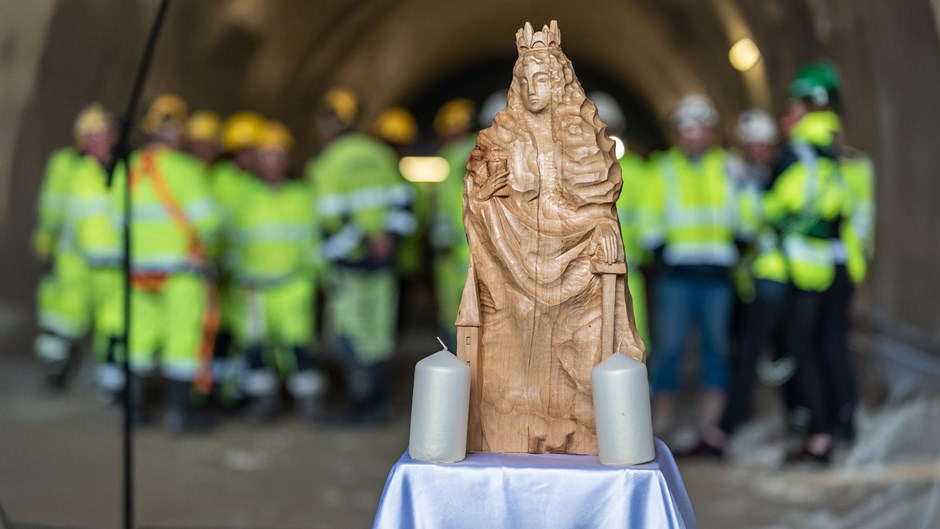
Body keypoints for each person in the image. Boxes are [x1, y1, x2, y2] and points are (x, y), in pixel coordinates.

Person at [458, 22, 644, 452]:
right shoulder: (498, 139)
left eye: (540, 78)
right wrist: (482, 199)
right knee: (510, 342)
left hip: (576, 260)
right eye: (523, 80)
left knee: (585, 340)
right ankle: (516, 426)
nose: (531, 89)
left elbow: (597, 201)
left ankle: (581, 427)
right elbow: (479, 196)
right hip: (512, 260)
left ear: (557, 83)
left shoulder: (582, 137)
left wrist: (602, 225)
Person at [642, 94, 754, 439]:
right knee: (668, 349)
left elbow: (748, 213)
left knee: (716, 349)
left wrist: (741, 240)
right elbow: (649, 215)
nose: (694, 135)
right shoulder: (663, 169)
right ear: (677, 133)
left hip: (717, 274)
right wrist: (658, 250)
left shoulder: (730, 167)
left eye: (701, 127)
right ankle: (660, 424)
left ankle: (711, 426)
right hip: (676, 275)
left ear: (711, 131)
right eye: (687, 128)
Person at [109, 93, 221, 432]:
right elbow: (209, 224)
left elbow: (116, 220)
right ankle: (180, 414)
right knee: (182, 341)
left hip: (138, 273)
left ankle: (133, 410)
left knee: (137, 341)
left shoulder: (129, 169)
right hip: (180, 273)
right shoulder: (186, 169)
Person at [682, 109, 787, 458]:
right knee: (749, 353)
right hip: (750, 281)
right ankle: (735, 423)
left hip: (776, 278)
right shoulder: (741, 176)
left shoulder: (776, 178)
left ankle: (726, 429)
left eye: (762, 145)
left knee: (762, 354)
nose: (756, 151)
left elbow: (757, 222)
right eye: (751, 145)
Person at [308, 88, 416, 424]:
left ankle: (359, 406)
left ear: (325, 124)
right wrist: (387, 239)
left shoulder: (326, 163)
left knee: (348, 335)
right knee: (379, 336)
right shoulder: (380, 154)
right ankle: (378, 406)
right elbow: (404, 202)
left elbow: (330, 218)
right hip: (383, 263)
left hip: (349, 266)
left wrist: (366, 241)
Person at [762, 65, 852, 463]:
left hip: (800, 265)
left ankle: (818, 434)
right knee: (824, 345)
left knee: (802, 345)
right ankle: (833, 427)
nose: (787, 116)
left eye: (793, 107)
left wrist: (766, 204)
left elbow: (783, 202)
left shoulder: (801, 150)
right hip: (828, 263)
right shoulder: (833, 149)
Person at [228, 121, 326, 421]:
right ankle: (263, 401)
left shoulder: (302, 196)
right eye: (267, 155)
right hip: (253, 288)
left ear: (287, 159)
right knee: (256, 349)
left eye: (278, 155)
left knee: (299, 346)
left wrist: (315, 277)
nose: (273, 162)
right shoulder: (243, 196)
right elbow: (232, 241)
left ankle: (308, 401)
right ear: (258, 160)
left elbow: (312, 241)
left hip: (294, 285)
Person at [33, 103, 120, 390]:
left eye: (104, 134)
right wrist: (46, 239)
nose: (99, 141)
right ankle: (55, 369)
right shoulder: (66, 164)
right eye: (92, 135)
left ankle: (112, 384)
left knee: (114, 324)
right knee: (64, 316)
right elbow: (52, 204)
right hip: (75, 258)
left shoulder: (122, 166)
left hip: (113, 261)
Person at [590, 91, 653, 347]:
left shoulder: (639, 172)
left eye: (610, 129)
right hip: (582, 276)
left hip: (627, 272)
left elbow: (648, 224)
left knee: (630, 342)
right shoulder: (569, 171)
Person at [430, 98, 477, 349]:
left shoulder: (453, 158)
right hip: (467, 251)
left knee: (457, 314)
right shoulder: (485, 150)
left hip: (456, 253)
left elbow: (444, 208)